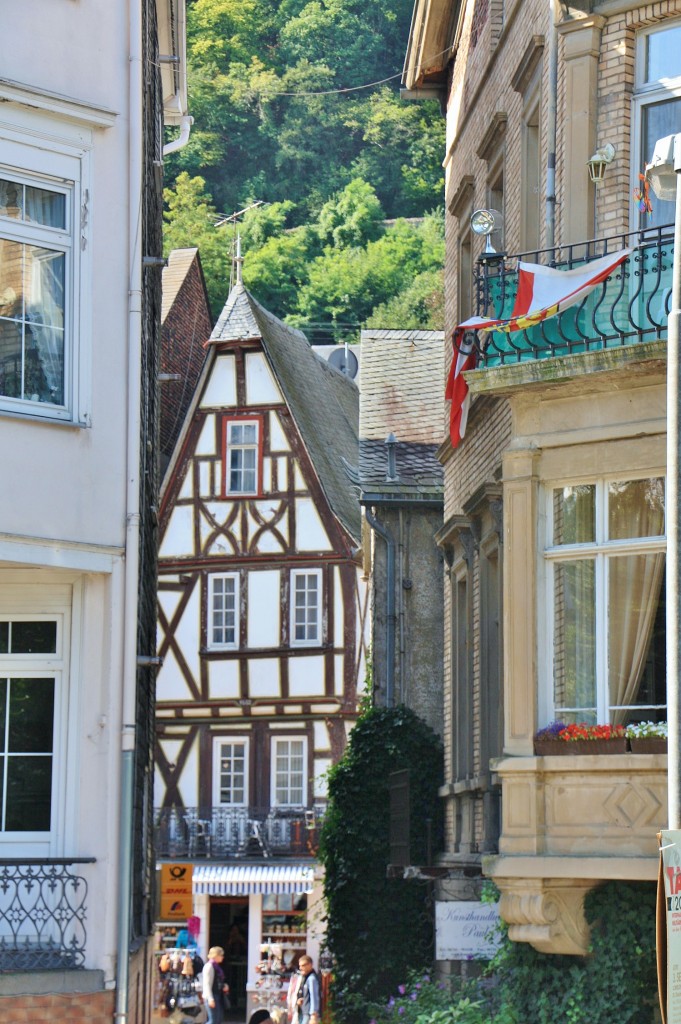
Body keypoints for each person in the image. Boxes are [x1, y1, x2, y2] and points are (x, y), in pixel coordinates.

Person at [202, 945, 229, 1024]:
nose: (222, 957)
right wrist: (210, 999)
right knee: (213, 1021)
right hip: (212, 996)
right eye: (221, 955)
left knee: (218, 1020)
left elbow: (217, 981)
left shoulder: (216, 967)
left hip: (218, 995)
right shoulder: (209, 967)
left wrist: (224, 986)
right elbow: (207, 984)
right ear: (216, 955)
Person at [296, 954, 320, 1024]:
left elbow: (314, 996)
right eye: (299, 966)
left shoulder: (312, 978)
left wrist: (313, 1015)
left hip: (309, 1015)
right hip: (304, 1012)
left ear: (310, 965)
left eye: (303, 965)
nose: (300, 968)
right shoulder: (305, 978)